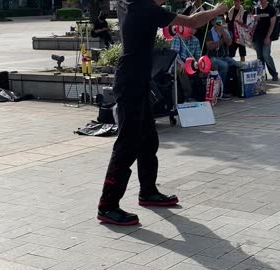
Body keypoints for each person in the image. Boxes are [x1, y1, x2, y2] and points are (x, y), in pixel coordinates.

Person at [97, 0, 228, 226]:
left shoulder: (128, 4)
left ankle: (147, 192)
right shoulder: (144, 8)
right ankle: (107, 205)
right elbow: (191, 22)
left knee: (148, 139)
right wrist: (217, 11)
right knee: (127, 144)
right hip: (130, 83)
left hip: (138, 80)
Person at [206, 17, 243, 98]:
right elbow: (210, 47)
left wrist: (222, 31)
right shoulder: (209, 33)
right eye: (217, 21)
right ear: (212, 22)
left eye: (221, 20)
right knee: (224, 65)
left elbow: (229, 43)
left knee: (237, 64)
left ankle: (237, 88)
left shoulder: (226, 31)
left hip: (224, 56)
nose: (219, 22)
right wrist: (220, 40)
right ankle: (221, 90)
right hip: (213, 57)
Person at [170, 27, 202, 100]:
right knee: (181, 69)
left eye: (194, 28)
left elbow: (197, 56)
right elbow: (174, 54)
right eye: (190, 27)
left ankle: (201, 94)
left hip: (191, 64)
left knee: (204, 70)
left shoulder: (195, 40)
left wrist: (199, 64)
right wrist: (182, 63)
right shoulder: (177, 37)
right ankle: (188, 95)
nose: (192, 30)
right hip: (177, 63)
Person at [252, 0, 279, 81]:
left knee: (266, 55)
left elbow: (272, 24)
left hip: (267, 35)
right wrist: (254, 18)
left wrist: (268, 37)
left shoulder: (271, 9)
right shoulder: (256, 9)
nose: (261, 1)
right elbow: (252, 23)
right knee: (259, 57)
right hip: (257, 36)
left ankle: (274, 73)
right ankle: (263, 74)